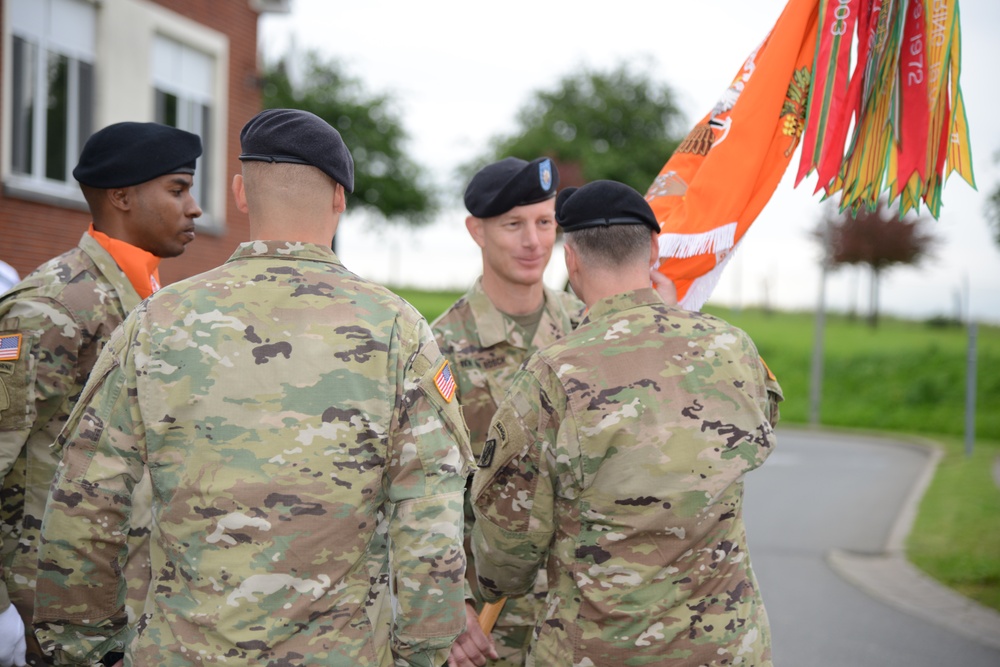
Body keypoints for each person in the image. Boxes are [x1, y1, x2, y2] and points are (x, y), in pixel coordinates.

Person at [33, 108, 472, 667]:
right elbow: (429, 519)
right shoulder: (397, 330)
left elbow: (84, 501)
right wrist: (423, 653)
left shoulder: (155, 322)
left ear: (241, 193)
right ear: (340, 197)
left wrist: (86, 649)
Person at [470, 180, 783, 666]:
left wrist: (487, 584)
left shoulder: (553, 373)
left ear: (570, 259)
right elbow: (764, 428)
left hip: (600, 649)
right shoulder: (734, 348)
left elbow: (508, 549)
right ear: (655, 249)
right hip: (728, 646)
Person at [0, 121, 202, 667]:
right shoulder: (54, 306)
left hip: (129, 598)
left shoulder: (154, 300)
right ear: (122, 197)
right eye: (179, 189)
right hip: (48, 611)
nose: (196, 208)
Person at [431, 157, 584, 667]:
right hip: (484, 629)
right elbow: (420, 489)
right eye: (513, 225)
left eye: (545, 223)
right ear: (477, 230)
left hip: (585, 617)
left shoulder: (590, 333)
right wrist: (448, 603)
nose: (533, 242)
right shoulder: (439, 348)